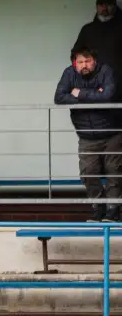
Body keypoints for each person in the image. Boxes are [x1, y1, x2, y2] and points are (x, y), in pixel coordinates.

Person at [54, 47, 121, 222]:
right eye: (80, 62)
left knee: (115, 172)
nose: (84, 65)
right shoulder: (69, 74)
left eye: (88, 61)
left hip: (112, 133)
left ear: (95, 61)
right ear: (74, 63)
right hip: (86, 136)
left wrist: (79, 93)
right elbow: (59, 97)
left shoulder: (106, 71)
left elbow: (107, 95)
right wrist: (94, 95)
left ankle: (113, 211)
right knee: (88, 173)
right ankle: (98, 208)